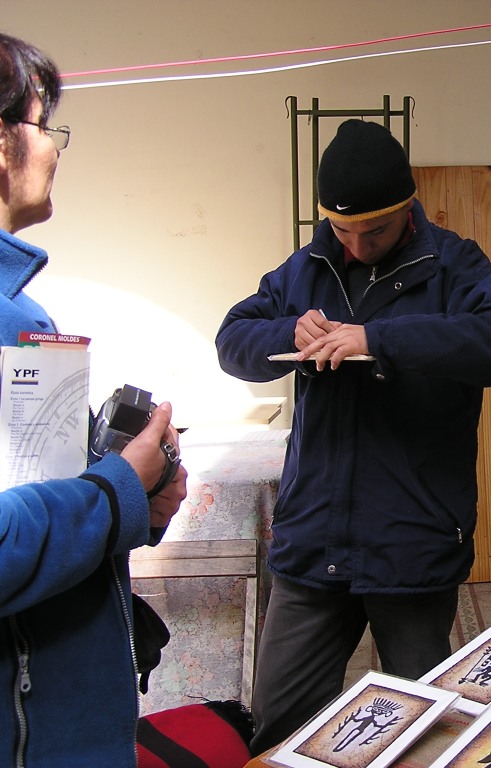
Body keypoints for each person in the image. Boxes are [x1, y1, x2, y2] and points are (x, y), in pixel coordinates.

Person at [216, 118, 491, 753]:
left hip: (411, 539)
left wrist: (380, 338)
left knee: (421, 736)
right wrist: (287, 333)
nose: (358, 247)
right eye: (342, 231)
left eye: (376, 231)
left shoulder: (454, 265)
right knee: (279, 731)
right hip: (312, 540)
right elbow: (232, 340)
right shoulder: (304, 269)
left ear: (408, 208)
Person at [0, 33, 188, 766]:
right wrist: (117, 491)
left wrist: (138, 498)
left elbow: (37, 503)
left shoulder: (20, 312)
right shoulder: (11, 323)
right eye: (45, 125)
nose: (55, 148)